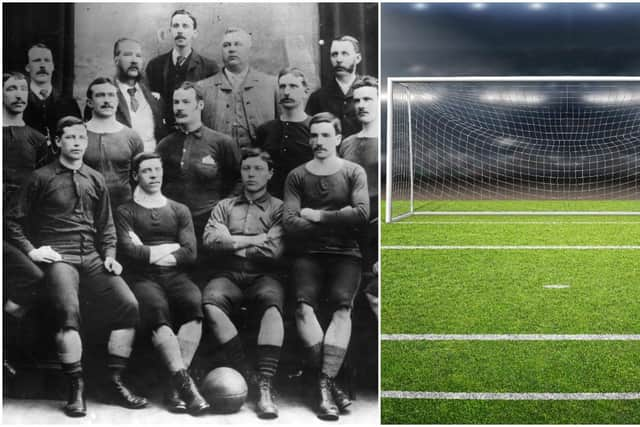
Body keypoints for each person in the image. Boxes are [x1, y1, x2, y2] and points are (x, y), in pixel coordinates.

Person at [6, 116, 147, 417]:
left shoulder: (95, 179)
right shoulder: (40, 178)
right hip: (60, 257)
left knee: (129, 306)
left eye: (81, 137)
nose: (77, 143)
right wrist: (33, 251)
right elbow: (11, 221)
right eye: (70, 137)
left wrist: (109, 254)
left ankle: (113, 381)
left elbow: (106, 226)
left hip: (93, 258)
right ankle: (76, 388)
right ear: (58, 141)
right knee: (68, 313)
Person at [283, 112, 369, 420]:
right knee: (303, 307)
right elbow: (290, 223)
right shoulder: (296, 176)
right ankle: (330, 387)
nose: (319, 141)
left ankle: (323, 383)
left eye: (325, 135)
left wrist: (318, 216)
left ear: (337, 138)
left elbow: (361, 214)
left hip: (347, 253)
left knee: (342, 308)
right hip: (308, 253)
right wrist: (337, 219)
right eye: (314, 136)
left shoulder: (353, 171)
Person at [114, 152, 209, 414]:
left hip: (176, 276)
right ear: (135, 175)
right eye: (147, 171)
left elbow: (189, 253)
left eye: (157, 169)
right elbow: (130, 253)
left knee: (193, 304)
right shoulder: (125, 211)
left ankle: (174, 385)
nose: (154, 175)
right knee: (155, 309)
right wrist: (171, 248)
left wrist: (149, 251)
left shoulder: (179, 209)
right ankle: (186, 387)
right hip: (142, 278)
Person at [202, 148, 285, 419]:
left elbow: (273, 251)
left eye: (258, 169)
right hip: (228, 274)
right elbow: (211, 243)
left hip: (264, 275)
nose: (251, 174)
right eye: (247, 168)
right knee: (211, 303)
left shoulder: (279, 208)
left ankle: (264, 384)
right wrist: (253, 240)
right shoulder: (224, 206)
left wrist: (232, 242)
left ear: (270, 173)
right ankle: (248, 374)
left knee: (272, 307)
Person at [2, 72, 49, 373]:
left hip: (19, 225)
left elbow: (44, 183)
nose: (18, 94)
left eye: (22, 88)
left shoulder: (37, 138)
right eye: (10, 89)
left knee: (34, 279)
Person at [156, 81, 241, 245]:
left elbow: (239, 181)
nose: (179, 107)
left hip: (209, 224)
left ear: (200, 104)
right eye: (176, 102)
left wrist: (221, 211)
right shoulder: (164, 145)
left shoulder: (222, 142)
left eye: (186, 102)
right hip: (172, 226)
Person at [338, 76, 379, 317]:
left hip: (379, 226)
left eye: (368, 99)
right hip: (353, 228)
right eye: (357, 100)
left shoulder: (391, 139)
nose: (362, 105)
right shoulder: (346, 144)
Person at [199, 27, 278, 149]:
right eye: (226, 45)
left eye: (238, 44)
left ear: (249, 51)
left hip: (260, 162)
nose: (232, 49)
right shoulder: (203, 88)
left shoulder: (271, 85)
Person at [85, 38, 166, 152]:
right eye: (128, 55)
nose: (134, 60)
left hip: (151, 164)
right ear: (116, 60)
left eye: (138, 56)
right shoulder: (103, 95)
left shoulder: (154, 97)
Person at [146, 9, 218, 125]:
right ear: (170, 31)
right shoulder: (155, 66)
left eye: (185, 26)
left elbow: (213, 110)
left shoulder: (209, 68)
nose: (180, 31)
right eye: (176, 26)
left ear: (195, 33)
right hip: (164, 134)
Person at [83, 77, 144, 211]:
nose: (106, 100)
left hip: (123, 209)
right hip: (86, 208)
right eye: (100, 95)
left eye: (111, 95)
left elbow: (139, 179)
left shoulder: (132, 137)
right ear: (89, 102)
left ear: (117, 101)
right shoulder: (79, 134)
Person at [253, 67, 313, 199]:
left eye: (293, 86)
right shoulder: (265, 130)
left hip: (306, 200)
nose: (286, 92)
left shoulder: (315, 128)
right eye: (282, 87)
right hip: (270, 201)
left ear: (306, 91)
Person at [306, 36, 363, 139]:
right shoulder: (318, 97)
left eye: (344, 54)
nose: (339, 60)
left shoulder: (371, 92)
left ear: (358, 58)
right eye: (334, 54)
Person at [22, 43, 81, 141]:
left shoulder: (69, 103)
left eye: (47, 60)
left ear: (53, 66)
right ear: (28, 67)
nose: (42, 65)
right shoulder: (20, 102)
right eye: (37, 61)